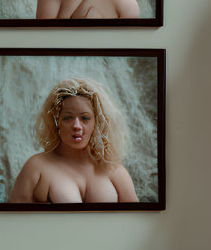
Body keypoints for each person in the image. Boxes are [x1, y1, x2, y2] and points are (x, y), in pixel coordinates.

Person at [8, 77, 137, 202]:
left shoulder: (114, 170)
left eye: (85, 118)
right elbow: (12, 221)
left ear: (96, 123)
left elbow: (134, 220)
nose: (76, 126)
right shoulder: (36, 167)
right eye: (68, 118)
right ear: (56, 121)